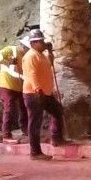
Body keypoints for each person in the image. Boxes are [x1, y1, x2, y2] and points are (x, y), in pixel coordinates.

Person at [21, 27, 66, 160]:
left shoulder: (41, 55)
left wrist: (50, 52)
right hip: (34, 93)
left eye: (42, 40)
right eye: (39, 41)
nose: (42, 43)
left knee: (57, 111)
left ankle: (57, 138)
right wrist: (37, 89)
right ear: (33, 43)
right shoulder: (30, 56)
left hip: (44, 92)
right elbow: (31, 75)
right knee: (35, 122)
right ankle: (35, 152)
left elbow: (50, 65)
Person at [0, 42, 26, 140]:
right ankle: (6, 134)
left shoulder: (27, 55)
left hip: (20, 85)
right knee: (9, 108)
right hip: (7, 84)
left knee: (24, 107)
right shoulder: (10, 50)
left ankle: (25, 128)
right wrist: (8, 62)